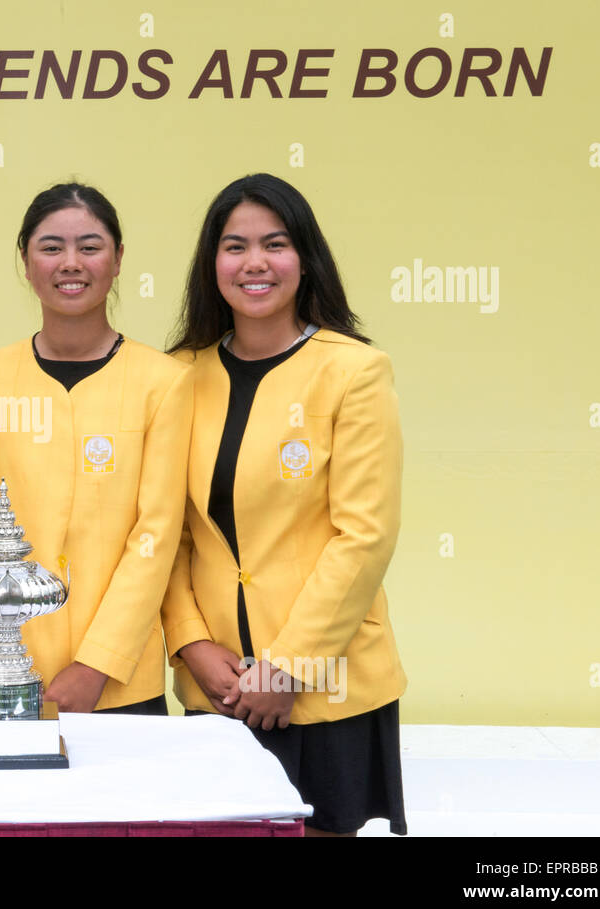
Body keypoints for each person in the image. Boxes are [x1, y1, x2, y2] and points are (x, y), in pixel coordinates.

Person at [163, 173, 408, 836]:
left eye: (274, 244)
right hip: (219, 688)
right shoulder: (180, 375)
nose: (254, 263)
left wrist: (289, 666)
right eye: (234, 245)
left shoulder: (353, 370)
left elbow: (364, 537)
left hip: (328, 685)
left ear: (305, 258)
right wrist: (191, 647)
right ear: (212, 263)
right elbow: (168, 535)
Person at [0, 183, 193, 714]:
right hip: (3, 676)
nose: (71, 263)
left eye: (89, 247)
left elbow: (155, 534)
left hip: (119, 683)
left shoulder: (165, 382)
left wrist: (98, 664)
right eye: (51, 247)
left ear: (118, 259)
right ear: (25, 259)